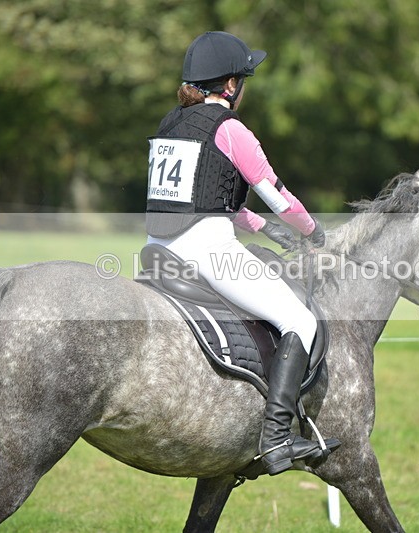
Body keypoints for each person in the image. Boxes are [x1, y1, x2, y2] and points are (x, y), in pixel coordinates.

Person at [145, 31, 339, 475]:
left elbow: (212, 200)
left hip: (157, 247)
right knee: (300, 321)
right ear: (230, 86)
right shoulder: (230, 129)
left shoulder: (170, 123)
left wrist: (264, 230)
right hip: (206, 251)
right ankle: (276, 440)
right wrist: (311, 230)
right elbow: (278, 196)